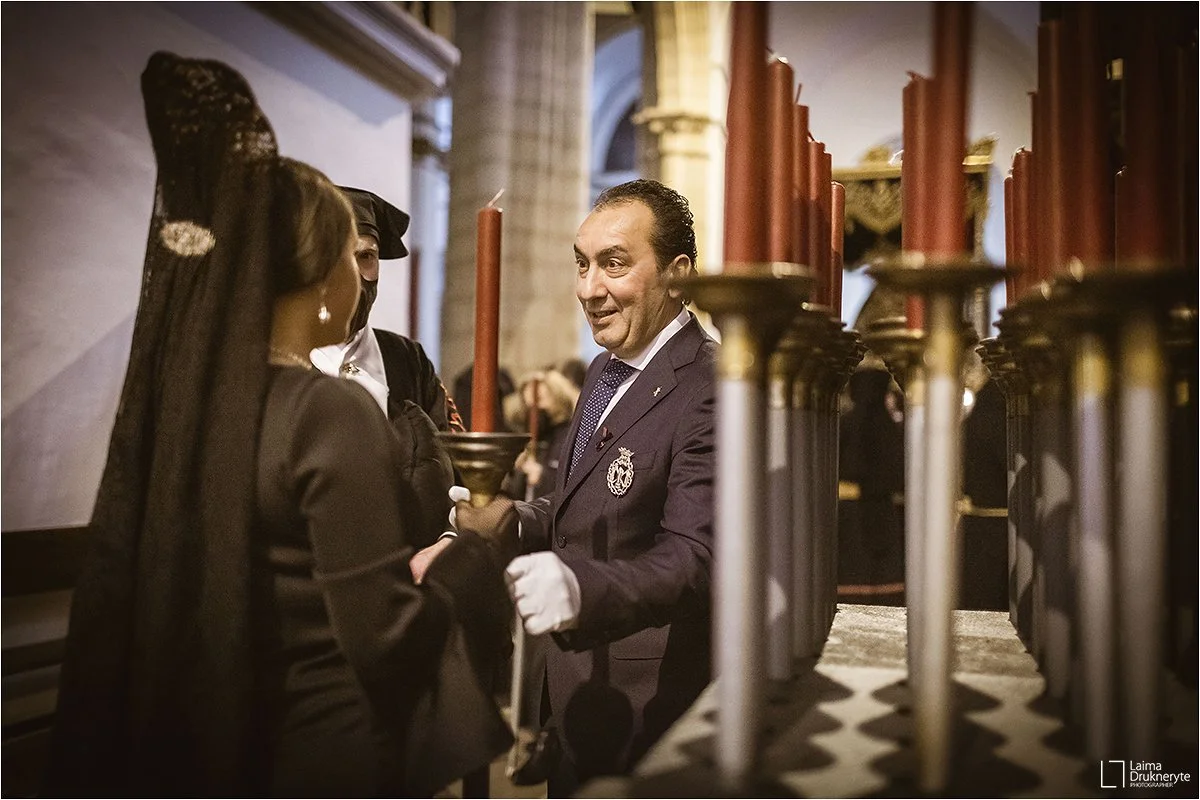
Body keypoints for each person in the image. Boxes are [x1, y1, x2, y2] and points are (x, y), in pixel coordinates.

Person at [46, 52, 515, 797]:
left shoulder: (206, 401)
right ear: (321, 275)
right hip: (333, 743)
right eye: (351, 256)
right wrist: (478, 551)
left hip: (229, 734)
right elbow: (389, 639)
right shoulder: (326, 409)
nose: (363, 275)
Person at [456, 179, 716, 795]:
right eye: (582, 264)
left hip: (649, 703)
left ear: (677, 275)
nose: (588, 289)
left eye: (614, 264)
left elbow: (696, 556)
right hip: (576, 689)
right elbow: (582, 502)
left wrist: (578, 588)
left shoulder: (708, 384)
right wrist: (517, 518)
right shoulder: (605, 368)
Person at [309, 186, 465, 434]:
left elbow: (449, 447)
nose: (353, 277)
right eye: (338, 258)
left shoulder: (409, 361)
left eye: (366, 257)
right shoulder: (284, 360)